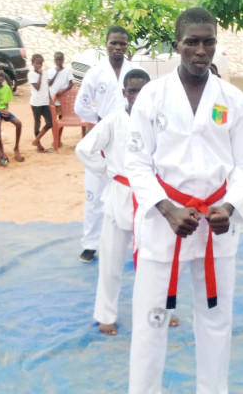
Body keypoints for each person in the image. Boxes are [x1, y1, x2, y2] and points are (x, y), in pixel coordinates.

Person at [126, 7, 243, 393]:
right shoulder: (152, 96)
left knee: (216, 319)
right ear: (177, 45)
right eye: (192, 42)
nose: (201, 50)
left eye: (209, 42)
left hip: (216, 220)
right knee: (152, 319)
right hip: (165, 218)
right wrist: (167, 209)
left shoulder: (233, 100)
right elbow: (136, 163)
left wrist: (230, 206)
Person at [76, 69, 167, 336]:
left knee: (157, 259)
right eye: (132, 91)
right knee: (111, 261)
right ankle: (106, 314)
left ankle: (160, 309)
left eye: (142, 91)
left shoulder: (160, 121)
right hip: (120, 195)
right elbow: (84, 149)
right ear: (124, 93)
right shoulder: (114, 121)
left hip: (152, 197)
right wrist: (107, 172)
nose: (137, 96)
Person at [74, 26, 140, 263]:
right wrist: (99, 121)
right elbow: (80, 106)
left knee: (132, 187)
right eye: (114, 43)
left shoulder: (135, 72)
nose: (118, 47)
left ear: (127, 45)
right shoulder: (95, 72)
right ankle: (90, 244)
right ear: (106, 44)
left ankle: (136, 239)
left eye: (123, 43)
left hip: (129, 136)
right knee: (94, 193)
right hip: (104, 135)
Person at [0, 66, 25, 164]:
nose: (0, 78)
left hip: (3, 111)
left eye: (2, 76)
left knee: (18, 123)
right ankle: (1, 147)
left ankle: (16, 148)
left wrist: (6, 111)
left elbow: (7, 104)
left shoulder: (7, 88)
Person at [28, 53, 54, 152]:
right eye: (37, 63)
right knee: (37, 122)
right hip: (36, 103)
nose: (39, 65)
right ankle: (39, 145)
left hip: (45, 102)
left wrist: (50, 100)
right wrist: (40, 75)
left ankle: (36, 140)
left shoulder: (45, 73)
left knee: (49, 123)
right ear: (32, 63)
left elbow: (46, 87)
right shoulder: (31, 74)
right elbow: (37, 88)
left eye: (41, 64)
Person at [46, 51, 74, 118]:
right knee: (53, 117)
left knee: (62, 117)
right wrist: (57, 73)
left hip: (63, 98)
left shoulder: (67, 71)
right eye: (57, 60)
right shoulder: (50, 71)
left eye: (60, 59)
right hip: (53, 98)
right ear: (54, 61)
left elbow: (71, 84)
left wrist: (63, 90)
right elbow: (49, 84)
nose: (59, 62)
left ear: (63, 60)